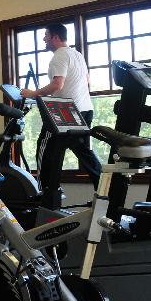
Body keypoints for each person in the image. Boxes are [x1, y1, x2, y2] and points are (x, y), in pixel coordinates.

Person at [20, 23, 102, 189]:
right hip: (85, 110)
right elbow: (86, 81)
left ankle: (44, 194)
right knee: (83, 152)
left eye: (46, 35)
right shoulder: (77, 55)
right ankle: (104, 188)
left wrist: (32, 93)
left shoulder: (59, 55)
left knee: (46, 149)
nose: (44, 39)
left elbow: (57, 84)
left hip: (66, 112)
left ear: (55, 37)